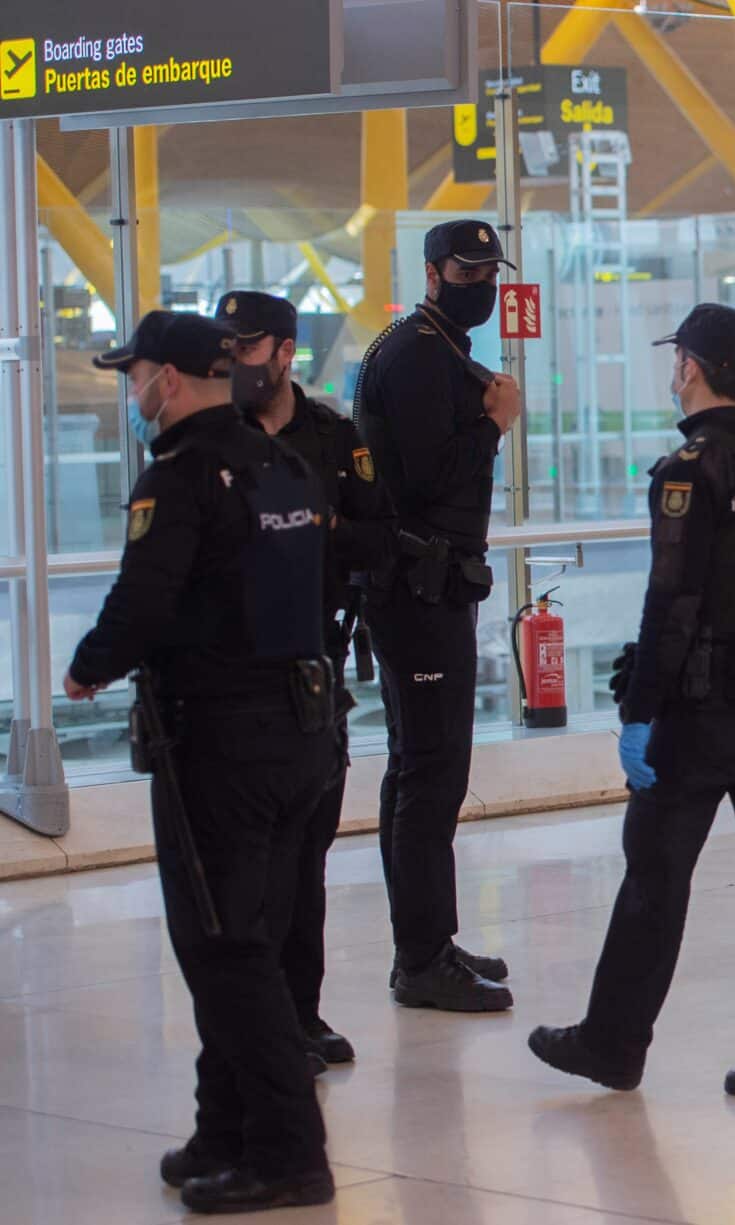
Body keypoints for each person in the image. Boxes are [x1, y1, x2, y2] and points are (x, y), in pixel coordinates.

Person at [65, 311, 338, 1213]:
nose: (131, 391)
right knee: (251, 937)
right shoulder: (282, 462)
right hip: (304, 733)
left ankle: (289, 1153)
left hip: (221, 743)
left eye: (133, 373)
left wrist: (87, 667)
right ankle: (223, 1129)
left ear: (168, 381)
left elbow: (144, 596)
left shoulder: (178, 477)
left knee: (224, 948)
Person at [529, 304, 735, 1103]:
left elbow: (673, 602)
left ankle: (613, 1042)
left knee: (655, 880)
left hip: (701, 711)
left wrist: (639, 709)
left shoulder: (693, 467)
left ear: (689, 367)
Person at [218, 290, 395, 1070]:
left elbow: (381, 535)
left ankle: (302, 1013)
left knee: (306, 857)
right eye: (225, 348)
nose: (234, 362)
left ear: (285, 352)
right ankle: (253, 1026)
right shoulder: (207, 439)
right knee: (246, 868)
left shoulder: (331, 437)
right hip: (228, 678)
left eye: (247, 348)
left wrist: (321, 530)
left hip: (311, 676)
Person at [354, 219, 523, 1011]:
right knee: (431, 768)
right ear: (432, 271)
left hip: (429, 584)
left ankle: (425, 941)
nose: (481, 281)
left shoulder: (430, 344)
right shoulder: (418, 352)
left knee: (420, 764)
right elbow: (424, 480)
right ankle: (420, 957)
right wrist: (493, 422)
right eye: (467, 268)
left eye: (489, 269)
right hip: (415, 586)